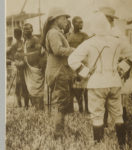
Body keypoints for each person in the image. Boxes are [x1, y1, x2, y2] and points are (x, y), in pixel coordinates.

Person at [68, 7, 132, 149]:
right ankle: (122, 144)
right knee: (118, 115)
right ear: (108, 24)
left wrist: (86, 72)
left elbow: (72, 60)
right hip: (114, 81)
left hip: (96, 82)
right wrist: (121, 68)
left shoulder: (89, 42)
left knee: (97, 116)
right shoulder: (117, 41)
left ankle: (99, 145)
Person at [41, 7, 74, 139]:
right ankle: (58, 134)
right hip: (58, 73)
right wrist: (74, 50)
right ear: (55, 19)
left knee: (64, 103)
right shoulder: (53, 33)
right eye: (64, 18)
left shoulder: (55, 32)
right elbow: (58, 50)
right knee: (61, 104)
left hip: (59, 71)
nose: (66, 21)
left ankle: (61, 130)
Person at [67, 16, 89, 113]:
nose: (81, 24)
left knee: (86, 88)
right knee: (74, 88)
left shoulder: (84, 36)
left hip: (83, 64)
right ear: (73, 24)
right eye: (78, 23)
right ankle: (78, 109)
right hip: (72, 65)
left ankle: (87, 109)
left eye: (82, 22)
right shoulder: (68, 36)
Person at [23, 23, 45, 110]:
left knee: (38, 90)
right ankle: (36, 108)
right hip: (29, 69)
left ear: (32, 30)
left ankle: (40, 108)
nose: (26, 31)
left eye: (28, 29)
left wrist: (25, 54)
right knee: (31, 89)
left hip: (36, 68)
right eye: (24, 29)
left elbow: (38, 52)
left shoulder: (35, 39)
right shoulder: (26, 41)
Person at [7, 28, 29, 108]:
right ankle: (22, 105)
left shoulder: (21, 43)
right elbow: (7, 54)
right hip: (20, 68)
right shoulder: (20, 43)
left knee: (22, 87)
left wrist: (14, 60)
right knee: (21, 87)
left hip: (23, 67)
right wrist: (14, 61)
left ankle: (24, 105)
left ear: (15, 35)